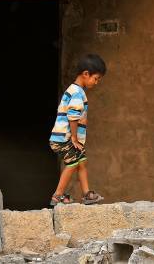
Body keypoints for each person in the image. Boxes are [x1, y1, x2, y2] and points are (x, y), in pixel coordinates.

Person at [48, 54, 106, 206]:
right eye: (96, 78)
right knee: (73, 163)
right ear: (86, 74)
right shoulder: (76, 93)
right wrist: (74, 138)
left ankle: (86, 194)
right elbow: (73, 117)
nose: (97, 82)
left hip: (67, 137)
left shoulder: (76, 91)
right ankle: (58, 195)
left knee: (82, 161)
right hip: (64, 138)